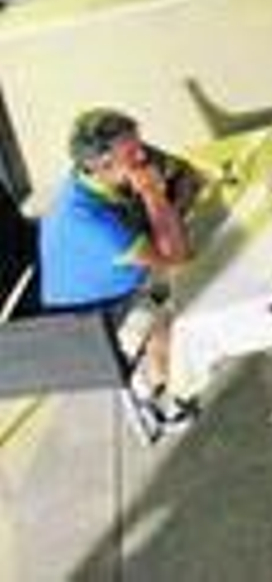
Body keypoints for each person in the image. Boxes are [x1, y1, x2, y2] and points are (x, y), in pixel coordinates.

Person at [39, 109, 203, 431]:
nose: (144, 156)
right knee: (182, 309)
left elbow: (186, 174)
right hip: (88, 318)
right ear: (103, 165)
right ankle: (164, 400)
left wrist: (168, 214)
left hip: (120, 274)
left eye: (139, 145)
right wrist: (155, 196)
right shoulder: (91, 223)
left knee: (195, 255)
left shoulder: (113, 167)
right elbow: (177, 257)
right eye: (133, 153)